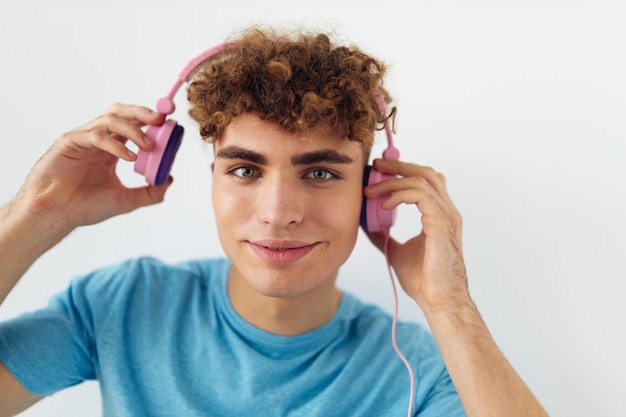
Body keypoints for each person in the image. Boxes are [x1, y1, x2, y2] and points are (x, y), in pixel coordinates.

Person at [0, 27, 547, 416]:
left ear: (375, 193)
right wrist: (36, 212)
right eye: (244, 169)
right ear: (212, 179)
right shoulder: (122, 305)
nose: (278, 212)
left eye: (322, 174)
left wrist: (449, 306)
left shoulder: (416, 372)